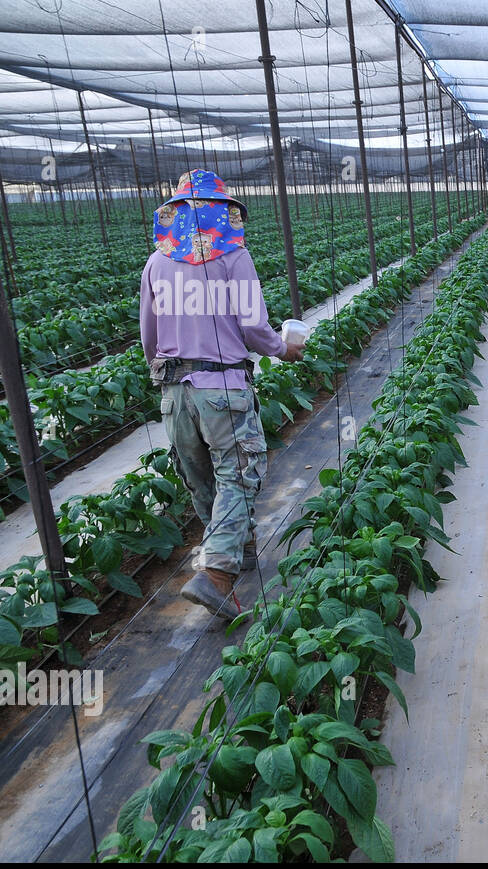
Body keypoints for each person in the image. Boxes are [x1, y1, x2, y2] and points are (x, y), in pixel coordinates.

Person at [139, 170, 304, 620]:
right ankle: (214, 576)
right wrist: (282, 348)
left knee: (202, 480)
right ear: (222, 211)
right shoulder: (234, 257)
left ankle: (239, 548)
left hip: (174, 394)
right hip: (223, 388)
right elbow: (254, 327)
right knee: (238, 475)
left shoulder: (155, 263)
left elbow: (149, 340)